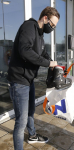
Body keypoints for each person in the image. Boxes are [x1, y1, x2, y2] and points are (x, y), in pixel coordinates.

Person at [7, 7, 60, 150]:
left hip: (28, 80)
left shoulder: (40, 35)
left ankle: (32, 135)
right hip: (19, 81)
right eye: (52, 25)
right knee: (21, 121)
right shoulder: (29, 27)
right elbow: (25, 50)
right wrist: (48, 63)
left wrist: (53, 63)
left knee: (30, 112)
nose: (53, 28)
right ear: (45, 18)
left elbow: (42, 53)